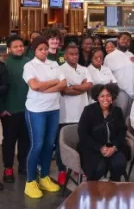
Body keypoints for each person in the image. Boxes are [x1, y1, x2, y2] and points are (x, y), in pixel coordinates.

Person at [23, 36, 67, 199]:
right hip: (36, 110)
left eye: (45, 48)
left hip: (53, 109)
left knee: (50, 144)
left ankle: (44, 177)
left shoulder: (54, 64)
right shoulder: (29, 66)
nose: (43, 51)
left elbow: (63, 83)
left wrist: (46, 87)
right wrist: (54, 82)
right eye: (40, 49)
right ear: (34, 50)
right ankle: (30, 182)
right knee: (37, 145)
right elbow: (34, 86)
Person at [56, 43, 94, 185]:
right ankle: (61, 171)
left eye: (76, 54)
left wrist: (74, 86)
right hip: (65, 114)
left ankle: (79, 169)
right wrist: (81, 87)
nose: (74, 56)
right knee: (63, 144)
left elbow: (89, 85)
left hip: (81, 113)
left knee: (81, 143)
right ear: (65, 56)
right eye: (71, 54)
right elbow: (64, 90)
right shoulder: (60, 70)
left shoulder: (84, 69)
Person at [78, 83, 128, 182]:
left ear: (112, 96)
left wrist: (114, 148)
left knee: (119, 163)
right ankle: (93, 190)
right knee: (98, 168)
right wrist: (100, 148)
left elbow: (122, 132)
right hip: (93, 148)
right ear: (97, 97)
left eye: (108, 95)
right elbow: (83, 134)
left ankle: (113, 186)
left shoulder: (117, 111)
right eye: (102, 96)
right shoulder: (88, 110)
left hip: (113, 147)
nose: (106, 99)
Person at [1, 36, 28, 183]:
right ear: (9, 49)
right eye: (16, 46)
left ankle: (23, 165)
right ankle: (8, 168)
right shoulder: (4, 64)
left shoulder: (29, 62)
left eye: (21, 46)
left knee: (25, 141)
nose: (19, 48)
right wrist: (2, 108)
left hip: (27, 110)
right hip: (10, 110)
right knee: (9, 141)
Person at [104, 32, 134, 99]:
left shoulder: (132, 55)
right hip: (119, 93)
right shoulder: (109, 57)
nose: (126, 41)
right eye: (124, 39)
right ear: (118, 40)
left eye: (128, 40)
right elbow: (106, 76)